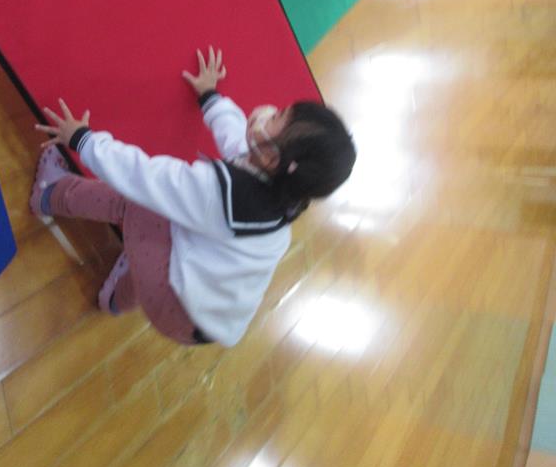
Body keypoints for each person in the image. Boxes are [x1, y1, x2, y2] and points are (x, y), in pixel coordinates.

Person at [30, 48, 356, 348]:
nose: (268, 112)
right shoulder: (285, 193)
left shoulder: (219, 194)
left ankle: (49, 193)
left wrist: (84, 140)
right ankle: (116, 299)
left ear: (273, 158)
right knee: (155, 233)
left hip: (173, 304)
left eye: (276, 117)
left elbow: (145, 177)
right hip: (203, 314)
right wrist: (212, 98)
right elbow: (238, 146)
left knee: (138, 203)